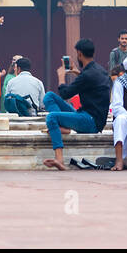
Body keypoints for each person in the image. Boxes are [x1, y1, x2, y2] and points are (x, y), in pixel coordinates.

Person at [41, 38, 110, 171]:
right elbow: (90, 80)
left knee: (51, 117)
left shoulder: (87, 75)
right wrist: (76, 71)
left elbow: (65, 93)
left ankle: (59, 159)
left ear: (79, 54)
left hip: (90, 122)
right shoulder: (99, 70)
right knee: (49, 96)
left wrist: (61, 77)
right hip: (87, 115)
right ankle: (62, 127)